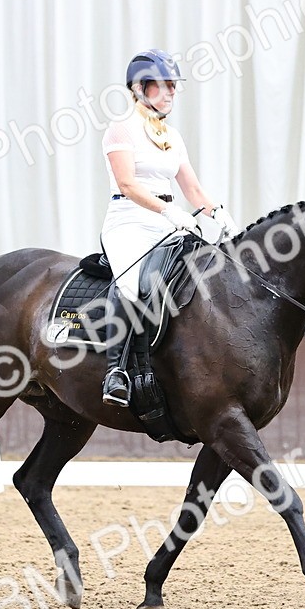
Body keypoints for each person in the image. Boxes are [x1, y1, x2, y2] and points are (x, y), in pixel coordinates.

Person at [99, 49, 239, 407]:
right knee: (132, 284)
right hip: (129, 221)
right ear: (140, 88)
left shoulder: (172, 136)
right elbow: (128, 184)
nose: (171, 93)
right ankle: (116, 371)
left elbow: (191, 188)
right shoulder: (121, 129)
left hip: (167, 221)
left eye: (174, 88)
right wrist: (168, 209)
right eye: (164, 87)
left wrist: (217, 212)